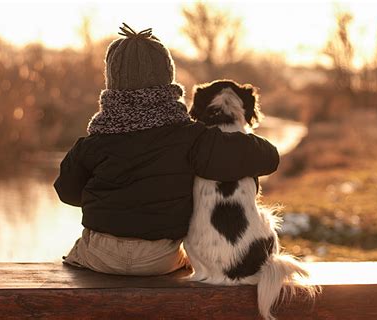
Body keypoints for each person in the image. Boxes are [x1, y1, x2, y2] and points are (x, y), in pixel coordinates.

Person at [54, 24, 280, 276]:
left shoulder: (94, 141)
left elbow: (66, 192)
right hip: (160, 258)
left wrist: (106, 198)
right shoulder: (191, 138)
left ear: (112, 83)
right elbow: (268, 157)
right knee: (187, 262)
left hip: (101, 255)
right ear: (167, 78)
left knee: (75, 254)